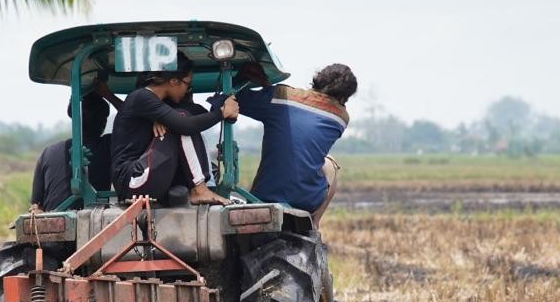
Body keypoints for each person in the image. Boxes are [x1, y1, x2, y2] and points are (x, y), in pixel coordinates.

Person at [235, 62, 357, 224]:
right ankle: (315, 224)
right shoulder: (340, 118)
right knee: (330, 163)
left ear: (317, 80)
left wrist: (254, 81)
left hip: (264, 196)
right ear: (343, 98)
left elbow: (237, 98)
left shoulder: (281, 96)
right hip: (308, 200)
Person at [111, 53, 238, 206]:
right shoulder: (141, 97)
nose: (187, 91)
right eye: (187, 85)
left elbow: (197, 113)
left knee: (180, 118)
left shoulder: (155, 105)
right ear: (173, 81)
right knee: (181, 120)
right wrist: (222, 113)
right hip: (132, 179)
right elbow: (186, 125)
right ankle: (199, 190)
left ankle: (199, 188)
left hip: (145, 178)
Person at [29, 94, 114, 212]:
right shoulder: (109, 145)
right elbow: (134, 121)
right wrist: (107, 93)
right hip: (94, 223)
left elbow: (37, 203)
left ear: (74, 120)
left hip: (52, 224)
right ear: (104, 122)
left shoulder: (48, 152)